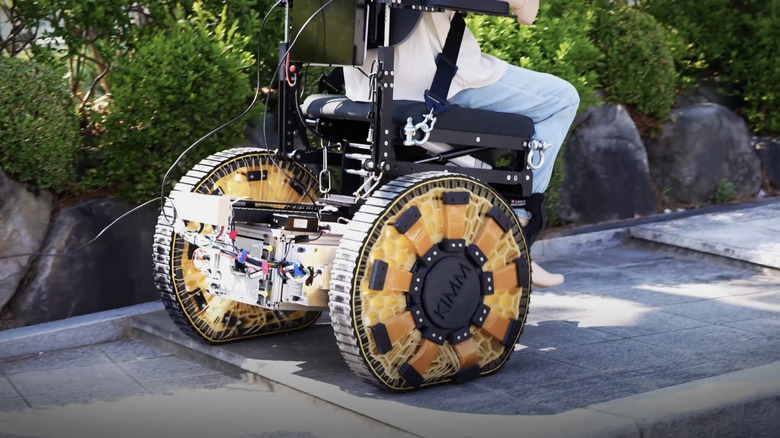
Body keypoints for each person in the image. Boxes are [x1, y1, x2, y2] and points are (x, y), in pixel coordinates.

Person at [344, 0, 578, 288]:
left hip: (364, 84)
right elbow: (526, 13)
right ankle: (520, 222)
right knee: (563, 99)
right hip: (431, 82)